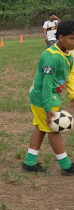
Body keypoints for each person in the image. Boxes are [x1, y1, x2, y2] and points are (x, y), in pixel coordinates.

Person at [22, 20, 74, 175]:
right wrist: (48, 108)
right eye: (72, 38)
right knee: (54, 129)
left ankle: (29, 162)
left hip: (50, 95)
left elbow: (70, 76)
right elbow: (46, 85)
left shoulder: (68, 55)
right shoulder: (51, 57)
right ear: (61, 37)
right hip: (43, 97)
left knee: (41, 127)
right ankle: (66, 166)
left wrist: (72, 96)